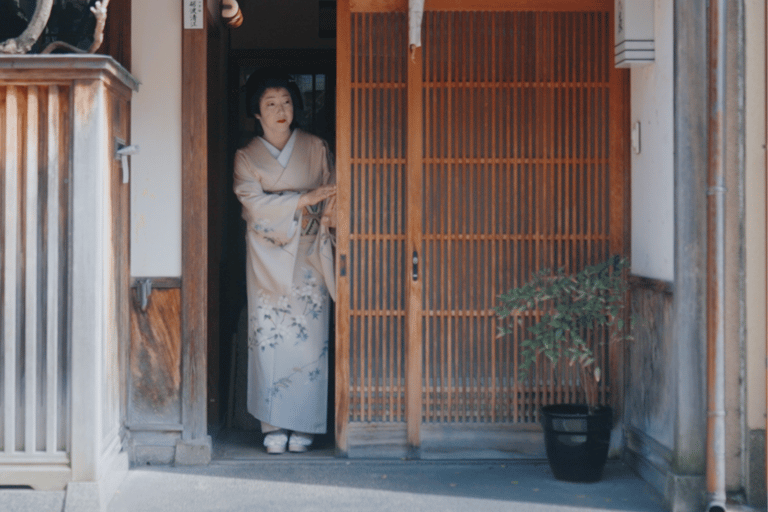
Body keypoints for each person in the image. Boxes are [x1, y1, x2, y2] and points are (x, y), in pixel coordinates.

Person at [233, 69, 336, 454]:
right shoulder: (246, 156)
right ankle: (272, 423)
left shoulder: (316, 147)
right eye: (270, 104)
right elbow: (252, 203)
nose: (280, 110)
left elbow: (334, 194)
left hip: (309, 251)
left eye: (286, 102)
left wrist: (322, 213)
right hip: (266, 253)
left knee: (310, 339)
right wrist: (301, 200)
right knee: (269, 338)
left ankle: (305, 422)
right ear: (256, 113)